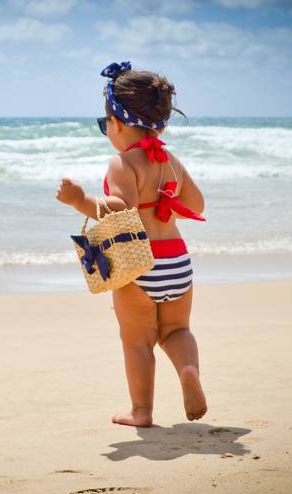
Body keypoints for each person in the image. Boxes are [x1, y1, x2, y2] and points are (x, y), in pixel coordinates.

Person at [55, 61, 208, 427]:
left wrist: (79, 200)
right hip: (177, 263)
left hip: (139, 266)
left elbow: (119, 209)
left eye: (103, 124)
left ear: (118, 123)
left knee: (137, 341)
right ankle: (188, 369)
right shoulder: (170, 162)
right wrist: (164, 205)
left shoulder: (122, 163)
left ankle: (141, 412)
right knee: (177, 331)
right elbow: (197, 206)